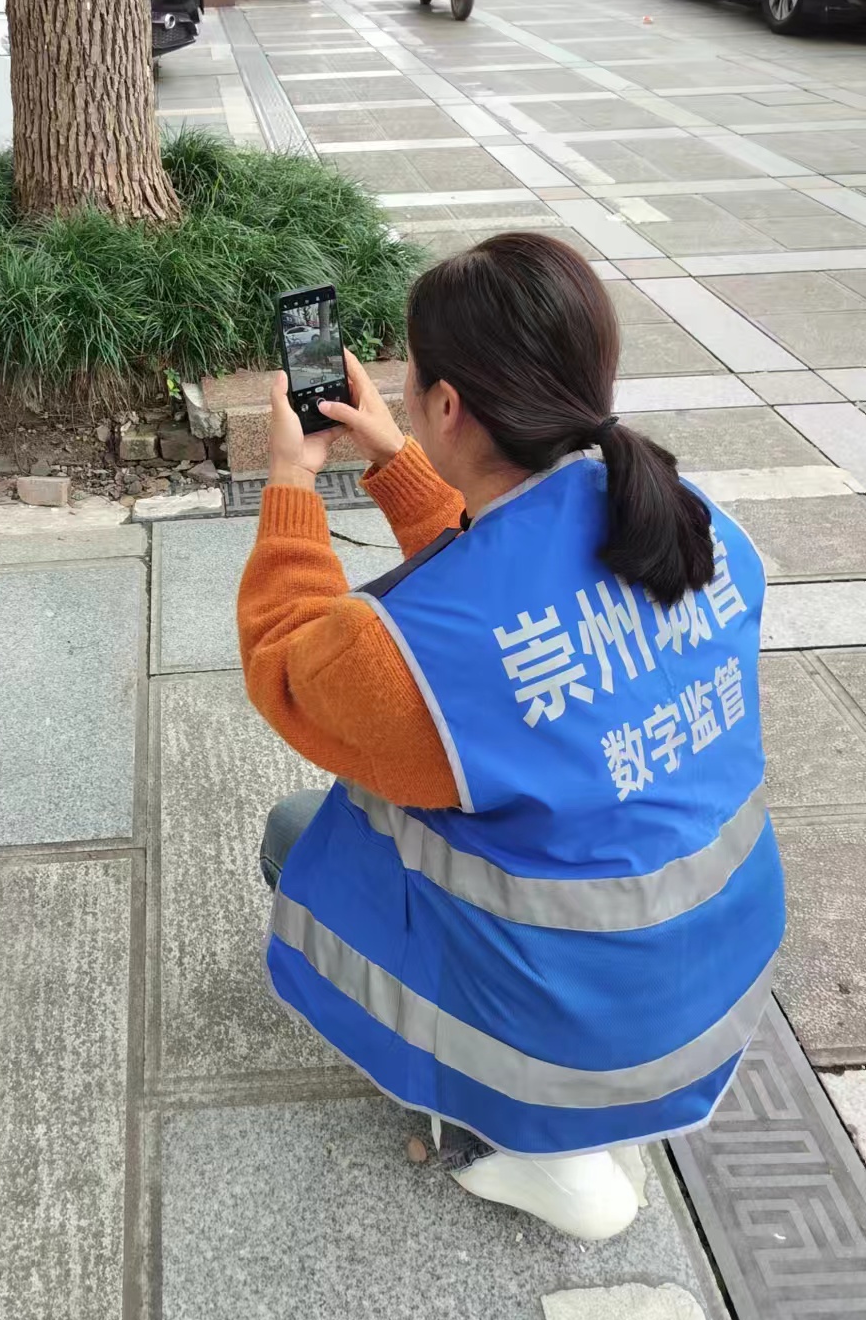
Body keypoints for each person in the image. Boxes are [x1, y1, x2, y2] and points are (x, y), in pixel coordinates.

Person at [238, 232, 785, 1242]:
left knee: (296, 830)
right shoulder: (694, 526)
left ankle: (530, 1142)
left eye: (412, 384)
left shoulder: (400, 660)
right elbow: (514, 575)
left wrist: (288, 478)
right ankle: (586, 1111)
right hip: (718, 971)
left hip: (577, 1025)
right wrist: (398, 464)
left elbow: (284, 661)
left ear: (447, 404)